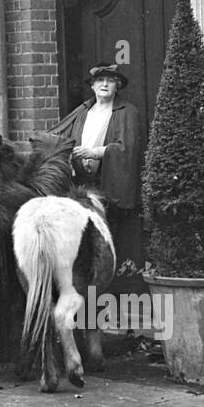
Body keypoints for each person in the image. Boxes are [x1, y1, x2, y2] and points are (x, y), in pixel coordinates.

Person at [52, 63, 146, 277]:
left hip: (109, 186)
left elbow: (128, 148)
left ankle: (113, 281)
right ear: (92, 86)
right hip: (82, 186)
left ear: (118, 86)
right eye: (100, 80)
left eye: (110, 81)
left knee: (112, 236)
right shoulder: (83, 112)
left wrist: (96, 152)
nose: (105, 84)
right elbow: (61, 138)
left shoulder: (127, 112)